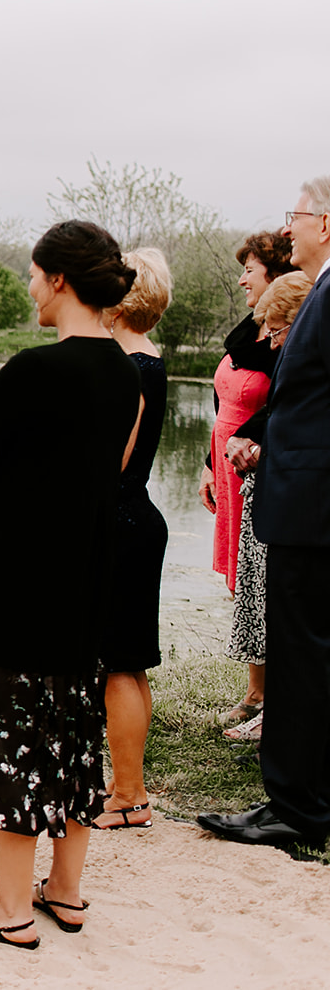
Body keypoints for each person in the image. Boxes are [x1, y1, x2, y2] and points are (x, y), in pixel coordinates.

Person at [0, 220, 141, 948]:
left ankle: (11, 908)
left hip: (14, 576)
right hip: (83, 571)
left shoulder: (33, 370)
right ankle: (68, 889)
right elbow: (103, 466)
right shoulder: (125, 374)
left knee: (8, 735)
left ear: (58, 279)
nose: (27, 286)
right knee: (72, 727)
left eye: (31, 272)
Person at [201, 176, 330, 851]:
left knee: (302, 657)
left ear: (326, 224)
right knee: (309, 651)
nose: (289, 230)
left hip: (312, 507)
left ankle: (294, 806)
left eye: (297, 217)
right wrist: (263, 438)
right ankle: (309, 793)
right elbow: (306, 399)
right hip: (299, 491)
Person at [219, 269, 315, 745]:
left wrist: (258, 440)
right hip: (264, 478)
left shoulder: (309, 353)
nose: (271, 343)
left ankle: (281, 721)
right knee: (260, 596)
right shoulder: (290, 351)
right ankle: (268, 705)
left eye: (277, 331)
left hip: (297, 496)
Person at [96, 247, 173, 830]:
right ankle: (130, 788)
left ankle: (128, 796)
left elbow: (113, 460)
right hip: (138, 519)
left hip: (120, 522)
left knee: (119, 666)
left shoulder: (130, 367)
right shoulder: (150, 359)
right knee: (131, 664)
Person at [202, 232, 292, 725]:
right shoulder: (250, 334)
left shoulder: (286, 341)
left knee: (264, 579)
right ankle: (255, 689)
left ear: (275, 277)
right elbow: (224, 402)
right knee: (242, 578)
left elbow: (277, 405)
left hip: (258, 469)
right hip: (227, 463)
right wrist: (208, 464)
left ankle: (272, 693)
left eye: (250, 271)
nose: (241, 279)